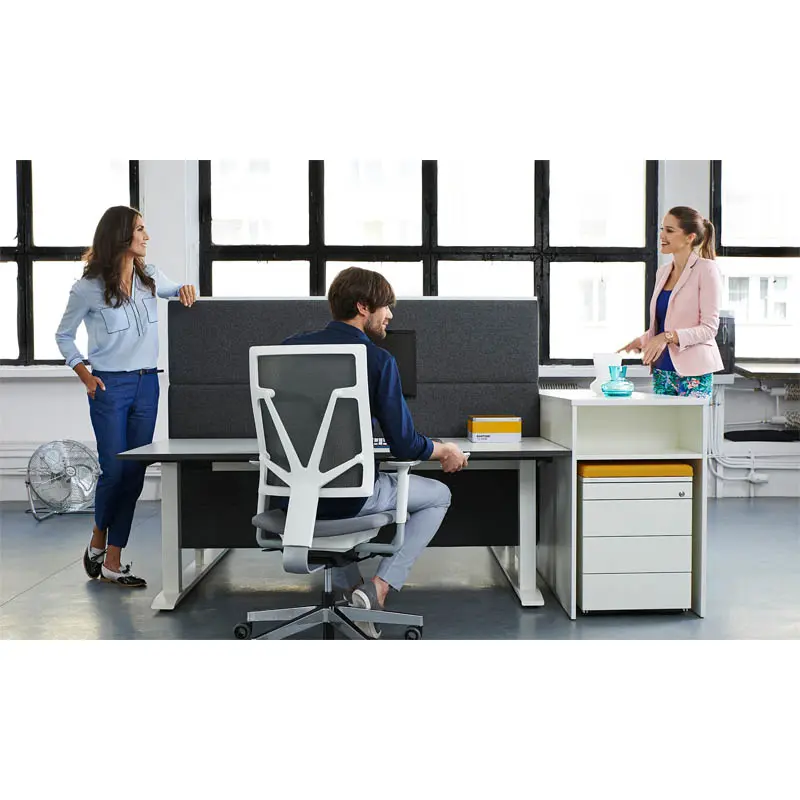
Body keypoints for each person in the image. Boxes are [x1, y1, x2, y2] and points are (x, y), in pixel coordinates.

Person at [281, 266, 469, 638]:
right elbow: (405, 445)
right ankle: (378, 589)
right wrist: (445, 449)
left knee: (346, 491)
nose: (390, 315)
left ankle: (355, 597)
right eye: (386, 306)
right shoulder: (378, 360)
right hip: (350, 498)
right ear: (363, 307)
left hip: (294, 498)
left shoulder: (288, 350)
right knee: (439, 495)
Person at [55, 206, 197, 588]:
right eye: (140, 230)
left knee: (134, 474)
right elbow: (63, 335)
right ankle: (98, 534)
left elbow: (178, 290)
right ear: (121, 236)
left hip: (147, 385)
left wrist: (185, 290)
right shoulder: (87, 288)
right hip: (109, 388)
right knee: (115, 471)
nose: (147, 237)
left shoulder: (150, 278)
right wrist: (85, 374)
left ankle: (113, 559)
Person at [619, 206, 723, 397]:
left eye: (669, 230)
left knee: (690, 419)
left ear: (689, 237)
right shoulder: (663, 272)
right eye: (662, 229)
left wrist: (666, 337)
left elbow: (709, 328)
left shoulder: (706, 269)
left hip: (694, 371)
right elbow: (666, 323)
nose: (662, 235)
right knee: (663, 418)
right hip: (662, 369)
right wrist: (642, 340)